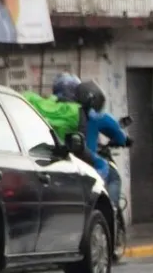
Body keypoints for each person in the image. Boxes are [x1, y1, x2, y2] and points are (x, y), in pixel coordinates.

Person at [52, 74, 131, 205]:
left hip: (59, 163)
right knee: (113, 177)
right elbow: (116, 131)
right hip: (87, 162)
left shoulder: (53, 112)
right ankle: (112, 210)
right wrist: (125, 140)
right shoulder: (90, 114)